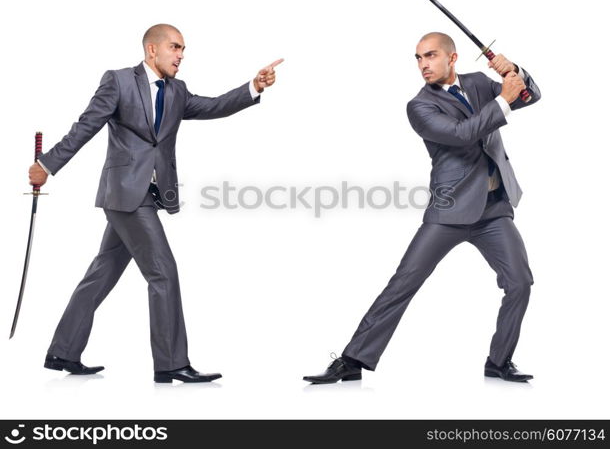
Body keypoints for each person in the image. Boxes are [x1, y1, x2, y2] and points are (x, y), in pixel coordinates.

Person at [28, 23, 283, 383]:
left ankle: (62, 352)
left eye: (183, 50)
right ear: (152, 50)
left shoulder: (177, 91)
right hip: (124, 195)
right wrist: (46, 165)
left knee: (101, 274)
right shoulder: (118, 81)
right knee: (163, 272)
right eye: (175, 47)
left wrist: (254, 86)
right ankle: (171, 363)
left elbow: (213, 107)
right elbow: (86, 125)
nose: (180, 55)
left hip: (150, 195)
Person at [304, 32, 540, 384]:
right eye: (418, 58)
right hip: (450, 211)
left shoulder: (478, 83)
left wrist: (514, 71)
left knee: (520, 282)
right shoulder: (420, 106)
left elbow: (528, 95)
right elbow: (463, 133)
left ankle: (499, 361)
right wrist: (503, 101)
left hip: (494, 209)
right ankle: (352, 359)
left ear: (452, 58)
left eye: (430, 56)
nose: (423, 65)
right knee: (404, 283)